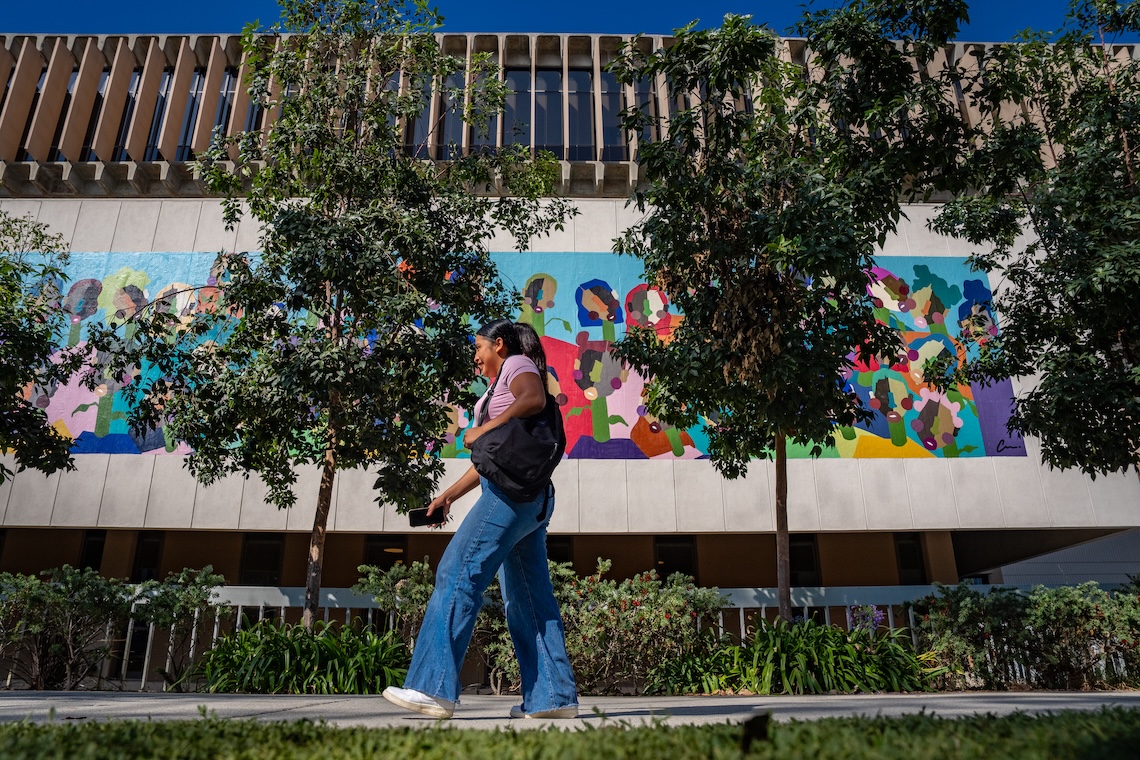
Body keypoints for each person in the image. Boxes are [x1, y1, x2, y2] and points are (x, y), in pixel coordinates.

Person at [383, 318, 578, 720]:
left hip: (508, 499)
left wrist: (484, 427)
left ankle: (432, 689)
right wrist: (448, 496)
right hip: (531, 499)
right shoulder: (502, 379)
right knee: (527, 596)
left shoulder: (517, 365)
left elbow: (534, 399)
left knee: (457, 574)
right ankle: (553, 699)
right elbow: (496, 459)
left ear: (499, 345)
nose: (476, 357)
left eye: (479, 348)